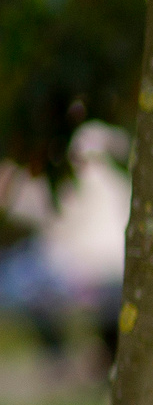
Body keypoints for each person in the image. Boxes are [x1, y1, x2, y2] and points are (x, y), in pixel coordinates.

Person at [0, 122, 129, 369]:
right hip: (117, 263)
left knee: (16, 279)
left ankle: (56, 355)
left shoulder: (62, 166)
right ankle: (94, 354)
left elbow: (36, 207)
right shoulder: (112, 162)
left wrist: (9, 190)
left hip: (81, 267)